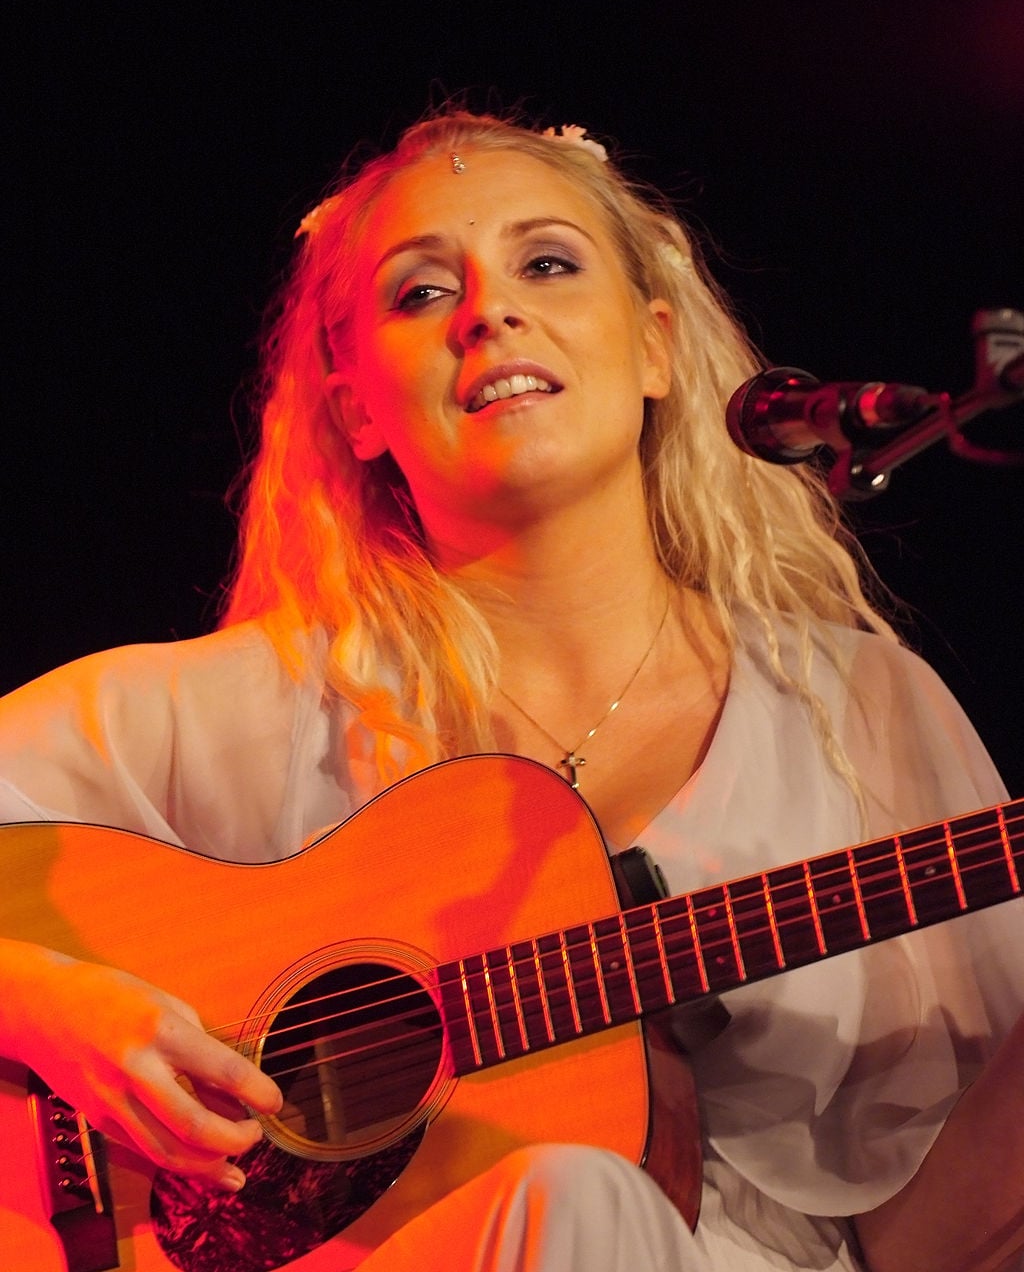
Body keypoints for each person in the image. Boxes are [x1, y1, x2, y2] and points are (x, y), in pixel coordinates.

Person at [0, 111, 1022, 1272]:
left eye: (546, 262)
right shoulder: (267, 703)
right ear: (356, 408)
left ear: (656, 349)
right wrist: (51, 1005)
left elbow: (933, 1245)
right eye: (421, 292)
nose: (488, 311)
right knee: (567, 1193)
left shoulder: (857, 705)